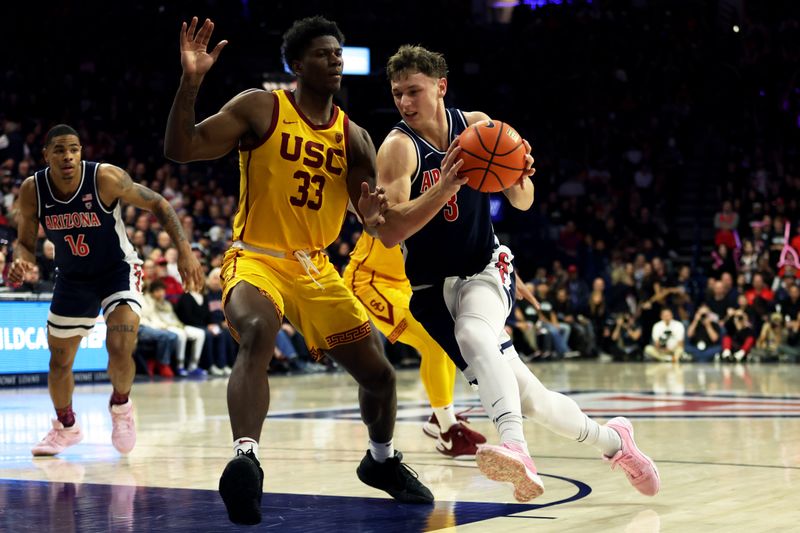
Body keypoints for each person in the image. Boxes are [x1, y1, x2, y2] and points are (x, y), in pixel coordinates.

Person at [164, 16, 433, 525]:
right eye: (323, 53)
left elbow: (372, 217)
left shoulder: (355, 136)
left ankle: (381, 461)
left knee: (379, 375)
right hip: (257, 255)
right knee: (257, 330)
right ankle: (246, 459)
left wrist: (376, 219)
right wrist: (191, 80)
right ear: (295, 64)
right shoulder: (260, 106)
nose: (334, 59)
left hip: (317, 267)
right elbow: (181, 149)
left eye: (338, 52)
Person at [371, 45, 659, 502]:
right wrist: (444, 188)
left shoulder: (478, 127)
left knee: (471, 331)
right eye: (397, 93)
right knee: (530, 399)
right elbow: (391, 233)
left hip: (484, 265)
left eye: (414, 91)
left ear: (441, 87)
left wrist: (518, 176)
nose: (405, 102)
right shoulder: (397, 148)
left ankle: (516, 449)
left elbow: (523, 201)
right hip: (429, 290)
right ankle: (614, 441)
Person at [7, 124, 203, 457]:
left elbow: (158, 203)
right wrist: (20, 260)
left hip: (117, 270)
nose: (68, 156)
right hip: (72, 277)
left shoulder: (104, 178)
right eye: (59, 150)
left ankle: (121, 407)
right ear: (46, 155)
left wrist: (184, 250)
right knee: (59, 361)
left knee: (120, 343)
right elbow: (25, 243)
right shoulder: (32, 190)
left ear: (82, 151)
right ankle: (66, 427)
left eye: (74, 148)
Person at [343, 231, 487, 459]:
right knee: (432, 341)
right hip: (370, 280)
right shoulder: (392, 194)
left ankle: (440, 417)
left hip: (406, 282)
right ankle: (448, 430)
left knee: (444, 338)